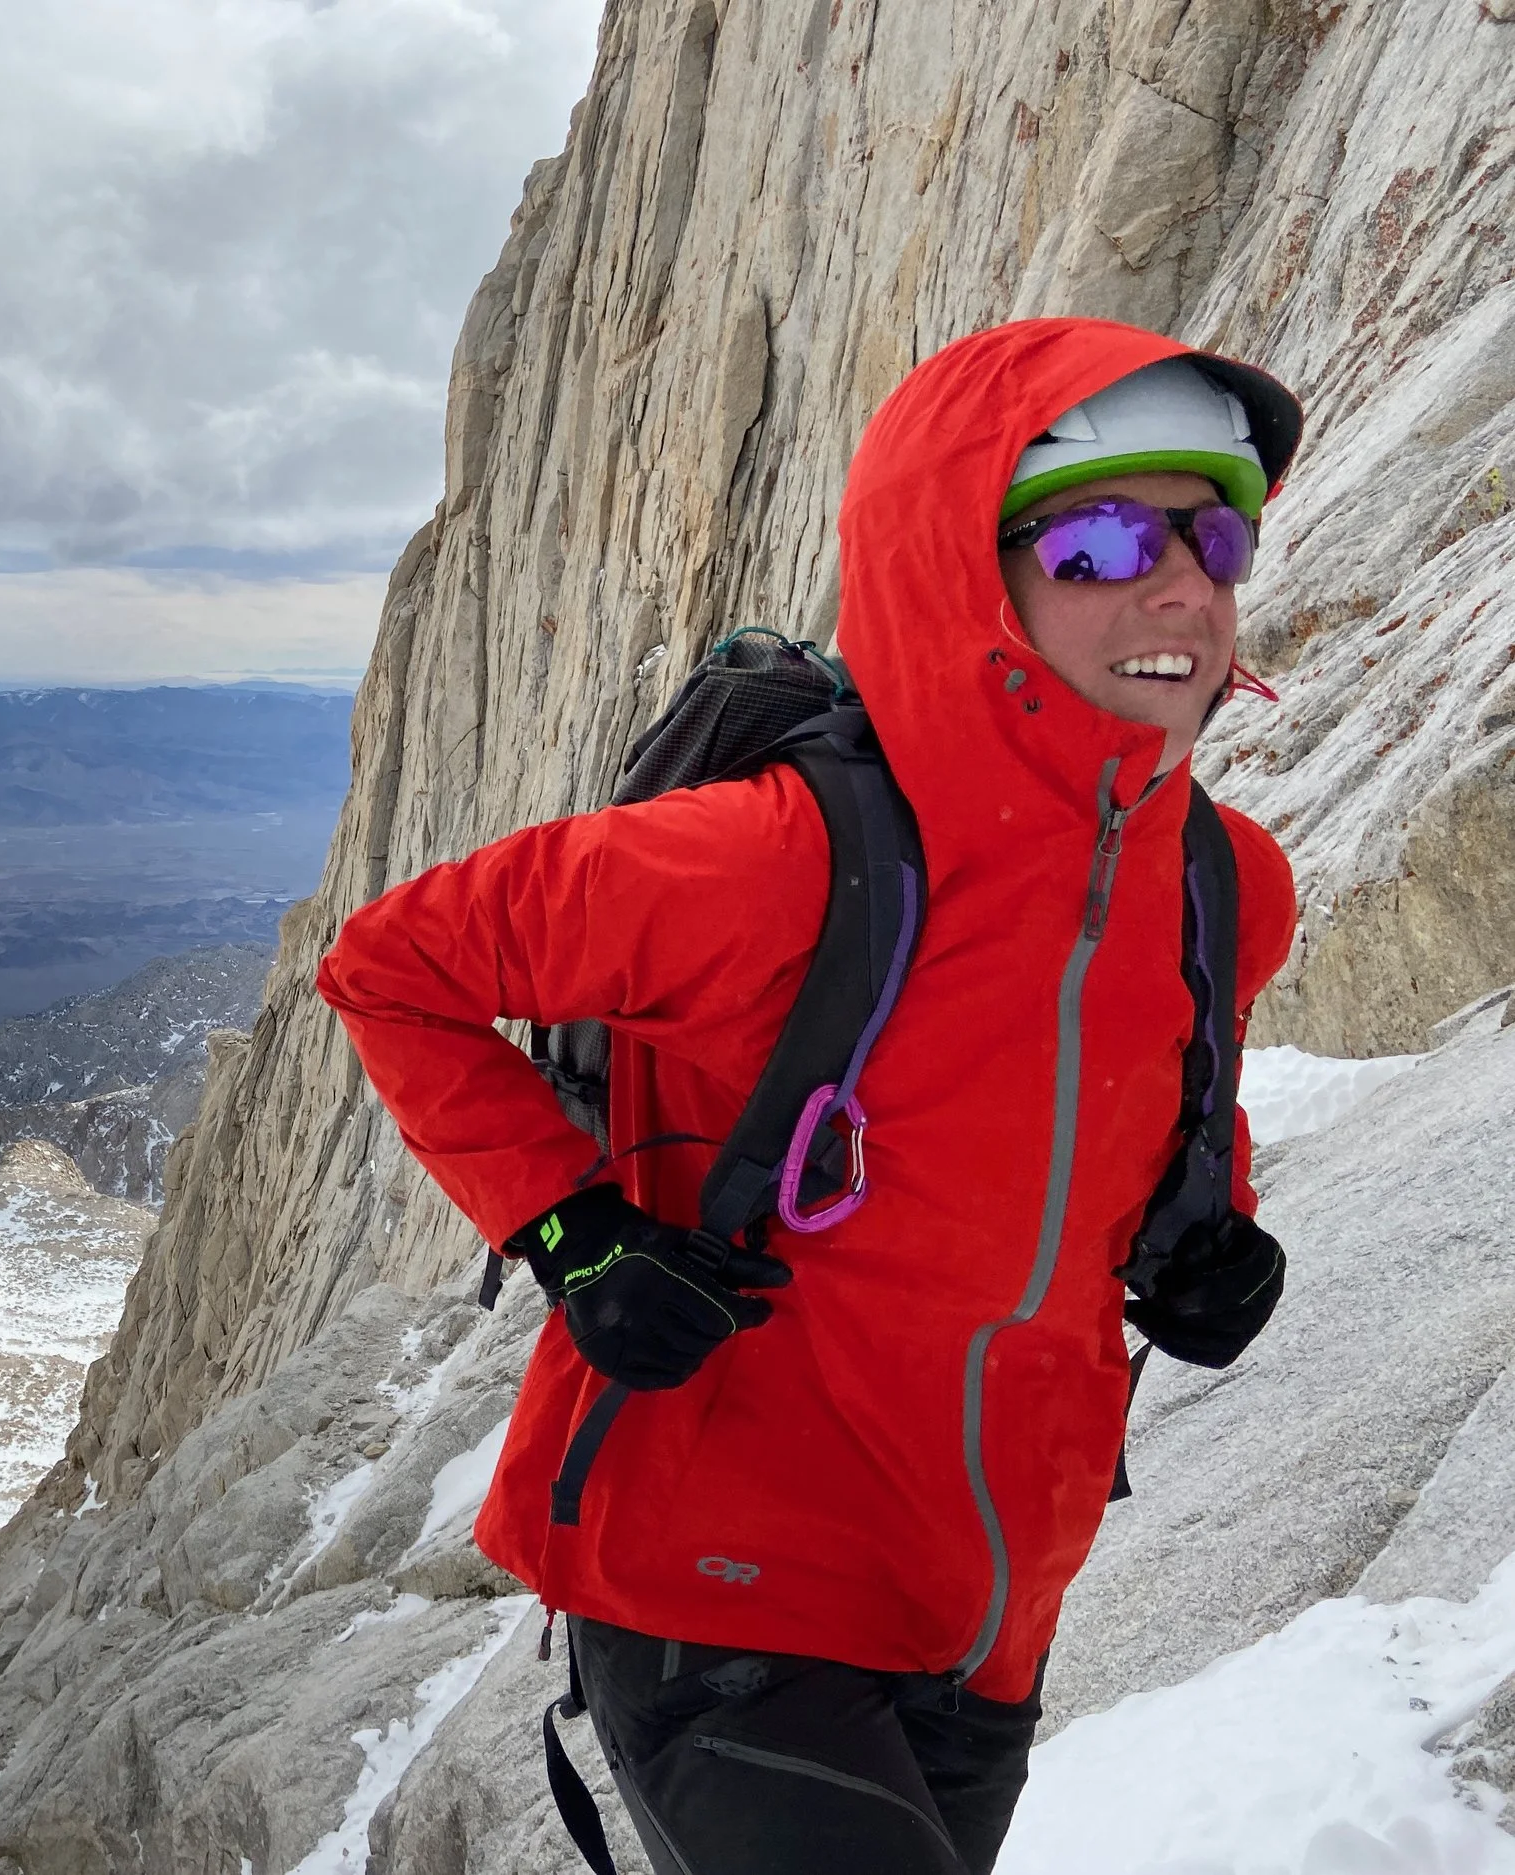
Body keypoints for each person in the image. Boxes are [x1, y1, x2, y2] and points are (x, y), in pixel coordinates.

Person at [314, 317, 1303, 1874]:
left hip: (986, 1617)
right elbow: (390, 967)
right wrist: (572, 1236)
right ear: (961, 570)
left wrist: (1205, 1221)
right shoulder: (770, 860)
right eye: (1102, 538)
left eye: (1217, 530)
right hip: (722, 1597)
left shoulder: (1222, 883)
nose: (1183, 585)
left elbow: (1167, 1096)